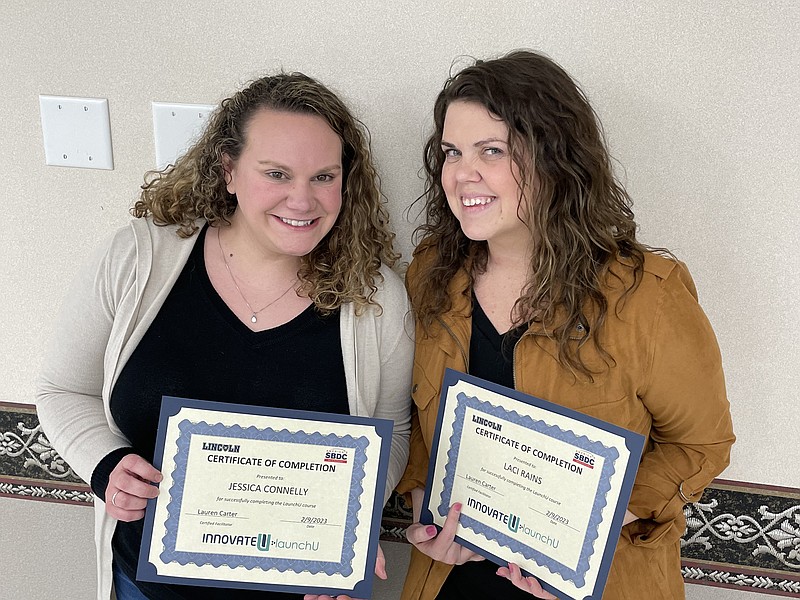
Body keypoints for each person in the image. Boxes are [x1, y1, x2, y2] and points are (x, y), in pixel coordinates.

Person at [35, 72, 412, 600]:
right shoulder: (139, 260)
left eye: (324, 176)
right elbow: (62, 390)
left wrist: (348, 532)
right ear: (229, 169)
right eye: (276, 173)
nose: (302, 200)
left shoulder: (374, 298)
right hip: (144, 587)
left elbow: (391, 432)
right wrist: (106, 468)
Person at [396, 50, 735, 600]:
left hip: (597, 584)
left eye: (493, 151)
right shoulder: (432, 272)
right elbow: (417, 414)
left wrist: (585, 535)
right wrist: (428, 514)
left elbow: (701, 443)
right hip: (452, 584)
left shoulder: (647, 295)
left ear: (555, 159)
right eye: (452, 151)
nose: (462, 174)